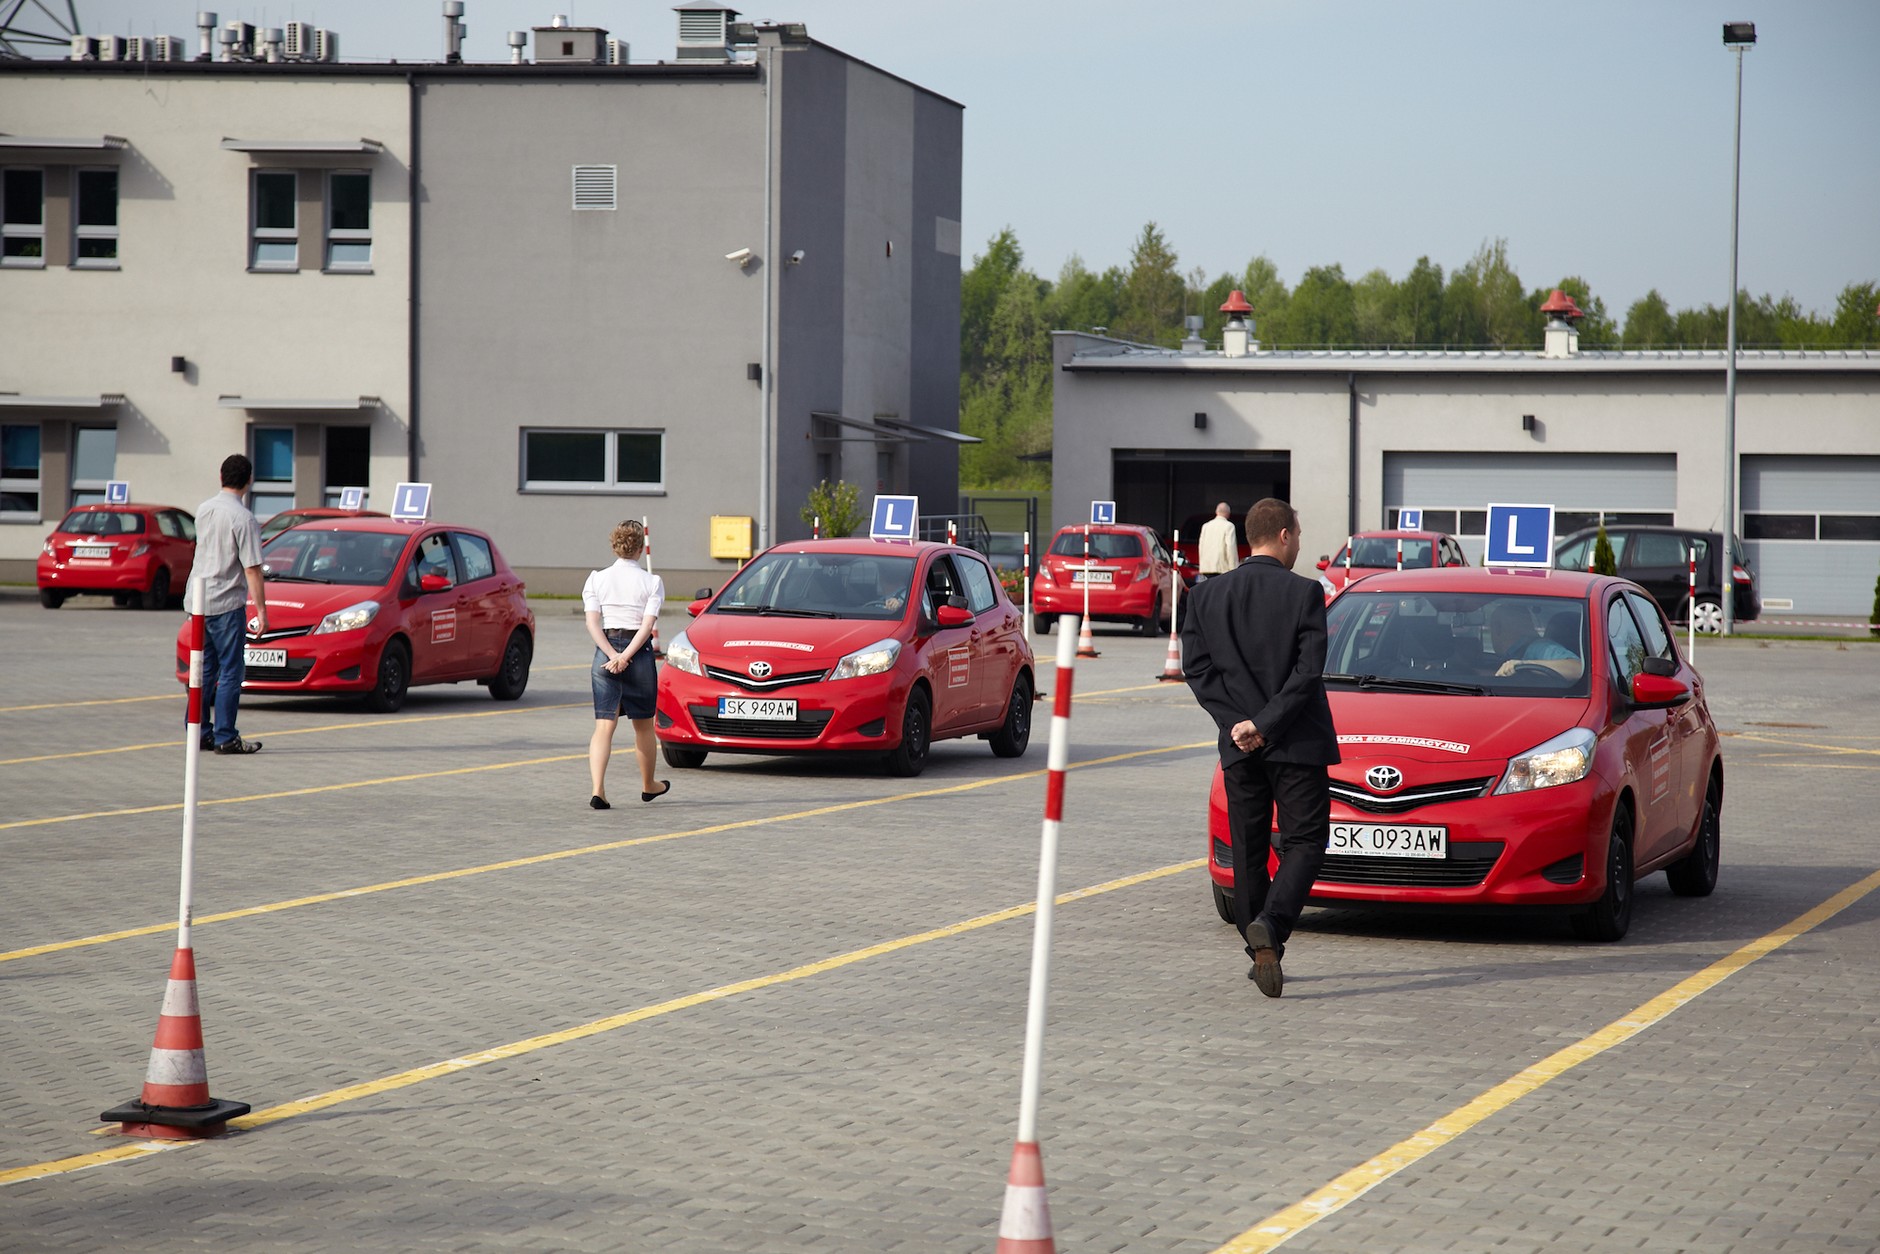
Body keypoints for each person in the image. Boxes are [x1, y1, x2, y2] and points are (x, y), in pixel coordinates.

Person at [1180, 498, 1339, 997]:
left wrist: (1238, 725)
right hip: (1296, 742)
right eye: (1300, 533)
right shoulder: (1305, 593)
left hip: (1238, 746)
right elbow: (1307, 672)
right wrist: (1265, 724)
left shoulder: (1206, 597)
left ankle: (1262, 948)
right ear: (1286, 535)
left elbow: (1198, 670)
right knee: (1306, 842)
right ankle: (1270, 926)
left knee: (1248, 850)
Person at [583, 520, 669, 810]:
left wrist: (611, 655)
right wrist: (626, 656)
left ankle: (598, 790)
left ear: (614, 545)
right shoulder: (652, 582)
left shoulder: (596, 579)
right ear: (640, 548)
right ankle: (648, 785)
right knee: (643, 726)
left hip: (605, 652)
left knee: (603, 727)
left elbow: (592, 622)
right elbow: (647, 627)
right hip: (639, 654)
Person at [188, 453, 268, 755]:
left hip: (198, 600)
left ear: (221, 477)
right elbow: (251, 568)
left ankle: (198, 731)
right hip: (225, 600)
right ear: (249, 480)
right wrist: (261, 611)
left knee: (204, 669)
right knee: (232, 670)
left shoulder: (204, 509)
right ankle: (225, 736)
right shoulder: (244, 518)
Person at [1484, 602, 1582, 679]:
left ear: (1497, 629)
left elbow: (1578, 668)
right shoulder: (1513, 653)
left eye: (1491, 628)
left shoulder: (1540, 648)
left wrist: (1524, 664)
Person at [1197, 501, 1237, 580]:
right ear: (1228, 513)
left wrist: (1202, 564)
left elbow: (1201, 547)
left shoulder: (1205, 526)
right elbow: (1230, 548)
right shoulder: (1229, 526)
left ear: (1216, 512)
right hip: (1222, 568)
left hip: (1207, 568)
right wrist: (1234, 568)